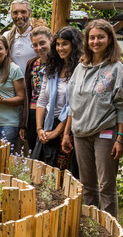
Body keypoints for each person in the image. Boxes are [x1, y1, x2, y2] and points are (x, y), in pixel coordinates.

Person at [61, 19, 123, 218]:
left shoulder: (116, 68)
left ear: (109, 39)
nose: (96, 41)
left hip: (105, 133)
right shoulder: (80, 67)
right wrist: (66, 134)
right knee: (87, 185)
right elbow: (73, 104)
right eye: (92, 37)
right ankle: (91, 225)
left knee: (107, 185)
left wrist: (120, 138)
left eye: (100, 37)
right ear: (86, 41)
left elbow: (122, 105)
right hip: (80, 133)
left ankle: (109, 226)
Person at [31, 26, 82, 179]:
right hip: (48, 123)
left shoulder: (80, 68)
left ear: (74, 44)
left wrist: (57, 132)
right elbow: (42, 100)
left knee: (64, 176)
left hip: (68, 126)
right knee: (43, 173)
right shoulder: (52, 68)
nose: (61, 48)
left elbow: (74, 104)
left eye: (65, 43)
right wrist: (40, 129)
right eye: (58, 44)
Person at [20, 26, 52, 152]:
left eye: (42, 43)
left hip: (51, 113)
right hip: (33, 113)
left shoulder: (58, 62)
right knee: (35, 150)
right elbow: (27, 93)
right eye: (35, 45)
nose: (39, 48)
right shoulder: (32, 63)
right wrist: (24, 123)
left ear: (51, 40)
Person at [2, 0, 45, 75]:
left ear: (30, 13)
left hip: (35, 83)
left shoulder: (39, 35)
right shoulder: (6, 36)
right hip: (14, 85)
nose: (19, 16)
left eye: (23, 12)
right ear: (11, 14)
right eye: (15, 12)